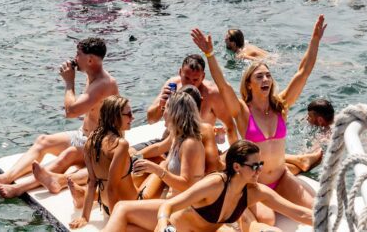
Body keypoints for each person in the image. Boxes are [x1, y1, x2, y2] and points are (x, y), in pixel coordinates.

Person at [191, 15, 327, 221]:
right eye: (259, 76)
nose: (266, 79)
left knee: (318, 211)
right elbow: (223, 85)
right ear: (249, 84)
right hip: (253, 183)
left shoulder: (281, 106)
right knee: (267, 220)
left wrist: (314, 41)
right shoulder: (242, 112)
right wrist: (209, 54)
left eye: (268, 75)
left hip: (282, 178)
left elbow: (303, 72)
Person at [0, 38, 119, 198]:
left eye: (78, 54)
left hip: (99, 145)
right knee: (43, 141)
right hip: (84, 136)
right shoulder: (92, 75)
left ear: (90, 60)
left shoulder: (103, 84)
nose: (74, 58)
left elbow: (71, 112)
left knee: (67, 157)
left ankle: (18, 188)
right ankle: (6, 177)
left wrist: (69, 82)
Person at [102, 140, 313, 232]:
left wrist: (333, 219)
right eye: (255, 165)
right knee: (122, 210)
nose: (259, 170)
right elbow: (169, 206)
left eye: (261, 164)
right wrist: (162, 223)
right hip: (172, 226)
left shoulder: (255, 192)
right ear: (237, 167)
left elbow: (299, 214)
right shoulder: (214, 184)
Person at [69, 96, 137, 227]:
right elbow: (112, 188)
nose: (132, 117)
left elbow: (92, 182)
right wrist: (116, 222)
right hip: (126, 207)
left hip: (107, 205)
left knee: (137, 174)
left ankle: (83, 196)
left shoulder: (91, 140)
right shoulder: (120, 145)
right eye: (128, 114)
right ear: (114, 117)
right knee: (160, 167)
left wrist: (84, 217)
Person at [147, 54, 237, 144]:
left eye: (195, 79)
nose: (190, 83)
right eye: (186, 78)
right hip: (168, 142)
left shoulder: (212, 95)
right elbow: (151, 120)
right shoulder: (172, 85)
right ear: (180, 72)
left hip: (198, 147)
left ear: (203, 77)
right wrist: (161, 105)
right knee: (135, 153)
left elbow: (230, 126)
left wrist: (233, 155)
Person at [133, 91, 205, 199]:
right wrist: (134, 157)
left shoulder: (190, 144)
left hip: (184, 206)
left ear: (175, 113)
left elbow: (186, 185)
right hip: (173, 199)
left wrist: (156, 169)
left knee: (123, 208)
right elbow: (158, 148)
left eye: (165, 108)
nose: (163, 113)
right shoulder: (176, 135)